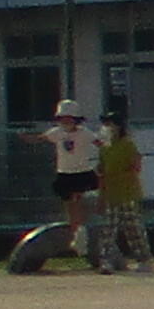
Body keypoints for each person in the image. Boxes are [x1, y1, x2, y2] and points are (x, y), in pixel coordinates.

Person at [94, 109, 154, 273]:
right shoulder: (104, 148)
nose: (106, 127)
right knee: (108, 228)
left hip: (127, 192)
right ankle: (106, 261)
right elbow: (100, 170)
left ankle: (144, 259)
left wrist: (120, 174)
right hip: (110, 192)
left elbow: (136, 166)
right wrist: (101, 193)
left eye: (110, 124)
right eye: (105, 124)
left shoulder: (128, 144)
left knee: (132, 227)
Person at [44, 93, 103, 249]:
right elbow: (41, 138)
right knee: (70, 205)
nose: (66, 121)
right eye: (63, 118)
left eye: (69, 117)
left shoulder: (85, 133)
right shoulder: (56, 132)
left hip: (83, 172)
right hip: (64, 173)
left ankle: (84, 231)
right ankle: (77, 233)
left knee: (84, 202)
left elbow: (100, 144)